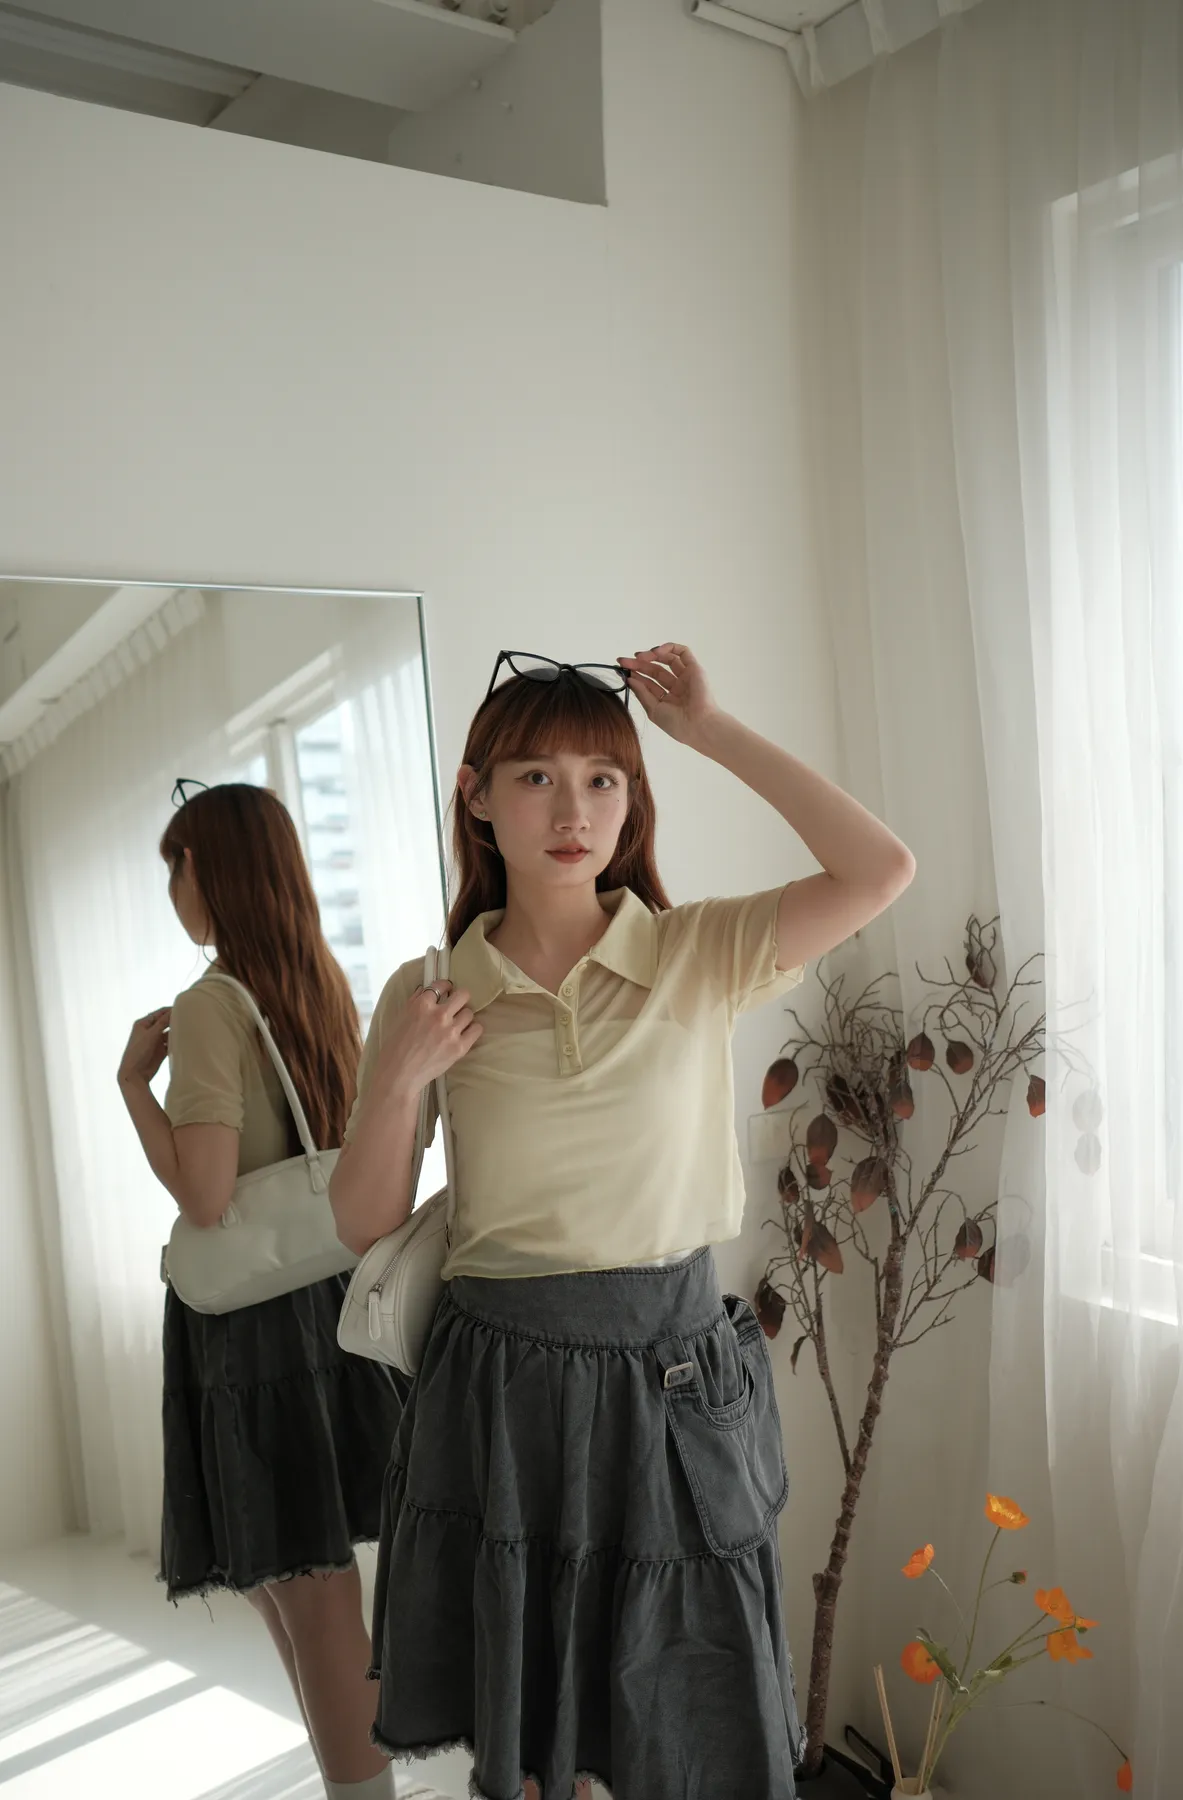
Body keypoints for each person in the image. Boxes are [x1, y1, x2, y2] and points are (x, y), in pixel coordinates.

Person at [330, 645, 916, 1800]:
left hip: (672, 1374)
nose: (574, 811)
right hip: (503, 1385)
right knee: (531, 1737)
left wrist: (710, 730)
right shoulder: (429, 991)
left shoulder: (697, 952)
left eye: (603, 780)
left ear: (632, 799)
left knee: (686, 1726)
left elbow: (880, 868)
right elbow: (364, 1224)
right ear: (476, 796)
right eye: (537, 778)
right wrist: (400, 1077)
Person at [118, 783, 406, 1800]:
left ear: (204, 868)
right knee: (300, 1587)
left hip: (254, 1328)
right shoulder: (316, 985)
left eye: (175, 867)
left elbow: (204, 1196)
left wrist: (133, 1088)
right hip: (326, 1305)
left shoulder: (212, 1003)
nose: (172, 890)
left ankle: (360, 1791)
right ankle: (351, 1780)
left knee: (306, 1591)